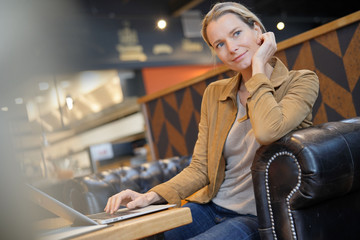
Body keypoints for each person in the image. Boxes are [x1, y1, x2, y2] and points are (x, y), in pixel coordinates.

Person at [105, 2, 319, 239]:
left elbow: (268, 131)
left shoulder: (301, 82)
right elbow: (201, 167)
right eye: (220, 44)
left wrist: (258, 68)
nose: (232, 48)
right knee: (145, 234)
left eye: (236, 33)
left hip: (255, 216)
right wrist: (150, 196)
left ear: (257, 30)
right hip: (211, 206)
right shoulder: (215, 93)